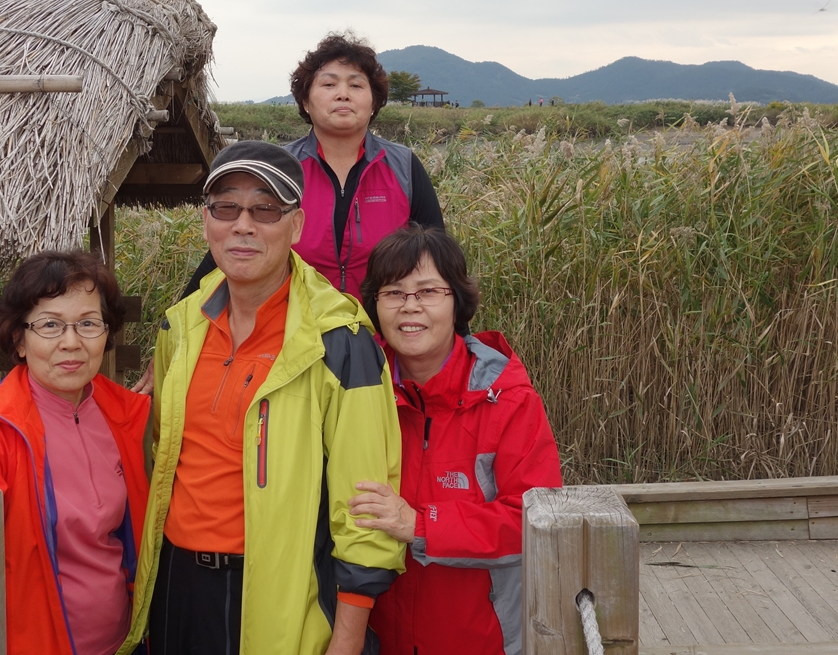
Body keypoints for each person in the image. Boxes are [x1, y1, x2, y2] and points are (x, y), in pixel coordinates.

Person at [123, 141, 406, 655]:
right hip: (177, 587)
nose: (243, 226)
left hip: (281, 593)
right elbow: (160, 455)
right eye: (226, 207)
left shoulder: (340, 340)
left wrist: (347, 639)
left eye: (265, 210)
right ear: (206, 222)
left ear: (296, 226)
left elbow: (364, 504)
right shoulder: (180, 327)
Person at [349, 224, 563, 655]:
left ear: (457, 301)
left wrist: (420, 526)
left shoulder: (508, 399)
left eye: (428, 291)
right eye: (393, 293)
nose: (410, 307)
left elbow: (533, 522)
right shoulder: (357, 390)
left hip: (479, 638)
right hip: (375, 637)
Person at [0, 251, 150, 655]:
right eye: (50, 325)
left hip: (127, 642)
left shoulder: (126, 418)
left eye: (88, 323)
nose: (71, 342)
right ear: (19, 340)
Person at [185, 32, 444, 298]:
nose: (343, 94)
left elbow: (438, 256)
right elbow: (233, 244)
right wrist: (179, 315)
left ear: (374, 103)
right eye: (329, 84)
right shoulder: (278, 169)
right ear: (306, 102)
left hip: (384, 321)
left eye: (356, 85)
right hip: (293, 320)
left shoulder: (404, 167)